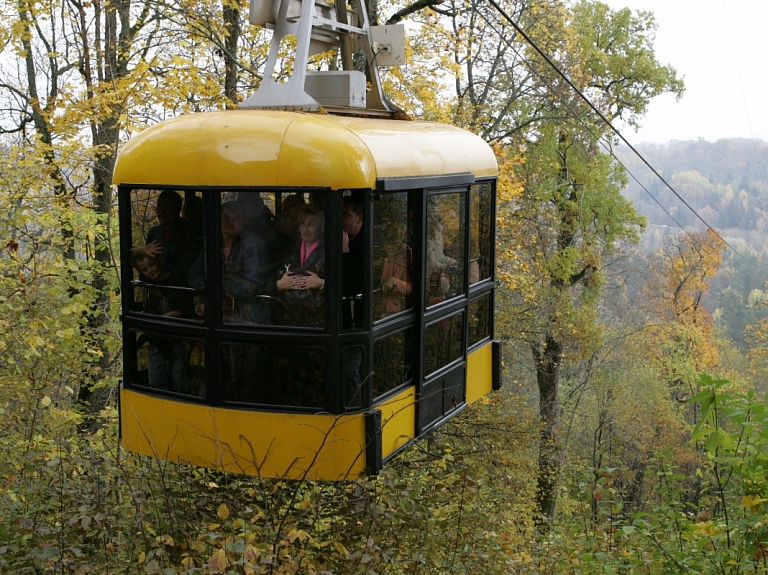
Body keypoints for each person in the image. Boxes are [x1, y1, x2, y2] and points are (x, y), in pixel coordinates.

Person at [131, 252, 193, 391]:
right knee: (156, 378)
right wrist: (143, 249)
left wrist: (161, 319)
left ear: (159, 262)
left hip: (178, 338)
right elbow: (130, 259)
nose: (150, 271)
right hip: (157, 340)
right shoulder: (148, 282)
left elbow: (182, 310)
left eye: (151, 265)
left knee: (179, 377)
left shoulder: (176, 281)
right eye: (145, 269)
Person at [133, 190, 199, 286]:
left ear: (177, 209)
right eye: (160, 207)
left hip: (180, 289)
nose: (162, 212)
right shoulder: (154, 233)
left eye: (167, 207)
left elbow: (188, 267)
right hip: (157, 288)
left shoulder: (190, 233)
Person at [275, 204, 326, 326]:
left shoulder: (328, 250)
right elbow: (270, 279)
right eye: (302, 224)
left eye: (311, 224)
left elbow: (343, 284)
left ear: (320, 227)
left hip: (318, 320)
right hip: (288, 316)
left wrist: (322, 284)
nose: (305, 229)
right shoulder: (290, 249)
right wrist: (278, 284)